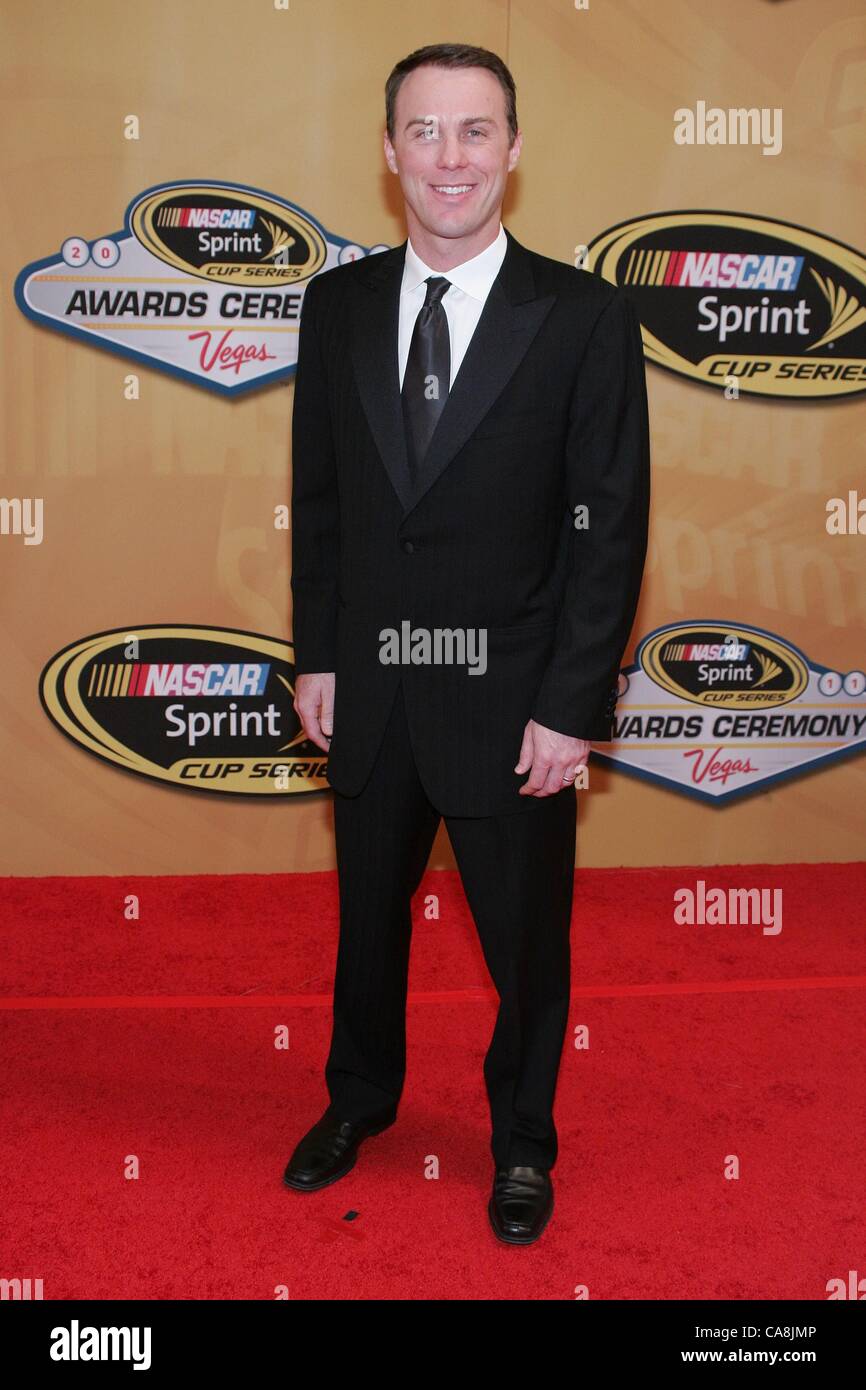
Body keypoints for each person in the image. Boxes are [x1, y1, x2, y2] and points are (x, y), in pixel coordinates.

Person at [284, 42, 650, 1245]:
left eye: (475, 131)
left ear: (513, 149)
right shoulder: (333, 304)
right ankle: (357, 1101)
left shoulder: (584, 317)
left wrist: (570, 705)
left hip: (510, 706)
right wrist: (322, 653)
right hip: (373, 686)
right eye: (426, 132)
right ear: (388, 153)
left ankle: (522, 1144)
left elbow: (607, 529)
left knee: (526, 948)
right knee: (364, 923)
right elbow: (325, 498)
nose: (451, 158)